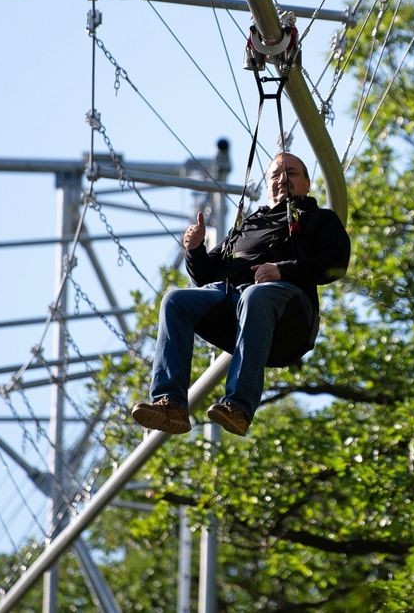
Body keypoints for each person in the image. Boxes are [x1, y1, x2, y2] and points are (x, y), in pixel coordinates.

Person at [130, 152, 350, 436]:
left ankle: (238, 406)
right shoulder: (247, 226)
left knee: (255, 296)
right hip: (231, 299)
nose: (283, 179)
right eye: (275, 175)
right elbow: (206, 275)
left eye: (292, 173)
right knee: (176, 301)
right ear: (269, 185)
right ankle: (170, 403)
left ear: (307, 183)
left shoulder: (319, 219)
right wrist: (195, 250)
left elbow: (336, 263)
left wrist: (282, 270)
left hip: (288, 310)